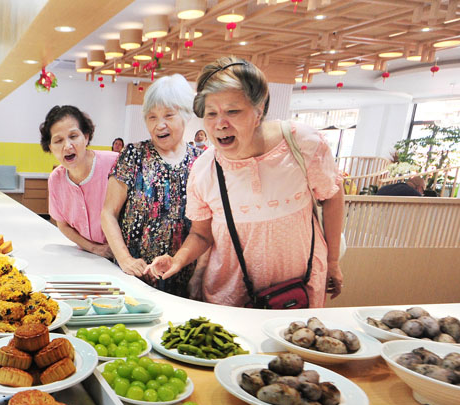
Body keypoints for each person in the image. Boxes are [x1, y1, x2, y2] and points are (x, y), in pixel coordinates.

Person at [147, 57, 345, 307]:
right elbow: (201, 233)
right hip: (230, 294)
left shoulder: (301, 143)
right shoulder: (204, 169)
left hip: (298, 289)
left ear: (259, 110)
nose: (220, 124)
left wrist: (334, 261)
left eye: (233, 111)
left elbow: (332, 195)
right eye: (211, 114)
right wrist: (178, 260)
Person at [100, 74, 202, 297]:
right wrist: (125, 259)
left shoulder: (200, 161)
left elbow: (205, 229)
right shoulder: (133, 155)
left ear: (185, 115)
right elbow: (108, 213)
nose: (159, 125)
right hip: (132, 276)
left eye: (168, 115)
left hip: (179, 279)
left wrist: (199, 277)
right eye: (152, 117)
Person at [41, 106, 118, 258]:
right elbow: (63, 225)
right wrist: (94, 249)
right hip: (89, 256)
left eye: (74, 136)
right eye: (58, 140)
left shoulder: (115, 163)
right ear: (50, 147)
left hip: (125, 258)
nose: (67, 146)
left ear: (86, 137)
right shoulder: (56, 179)